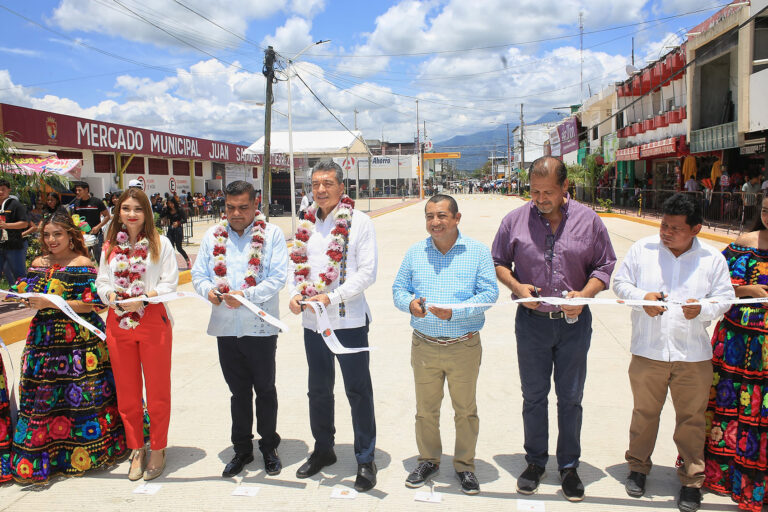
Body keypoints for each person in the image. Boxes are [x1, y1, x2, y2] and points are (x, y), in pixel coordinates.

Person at [491, 156, 617, 502]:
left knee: (570, 398)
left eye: (548, 192)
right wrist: (517, 288)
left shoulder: (589, 221)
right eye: (534, 191)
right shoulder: (514, 221)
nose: (541, 198)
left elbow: (605, 265)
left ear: (565, 188)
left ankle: (569, 467)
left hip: (574, 326)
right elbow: (499, 262)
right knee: (533, 397)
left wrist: (586, 294)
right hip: (531, 325)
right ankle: (534, 463)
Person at [613, 193, 734, 512]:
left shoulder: (712, 258)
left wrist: (704, 309)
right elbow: (621, 284)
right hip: (648, 351)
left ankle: (692, 481)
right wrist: (643, 297)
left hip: (692, 356)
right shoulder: (643, 250)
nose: (666, 232)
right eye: (664, 225)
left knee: (692, 420)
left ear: (695, 229)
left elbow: (726, 297)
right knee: (644, 414)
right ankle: (638, 469)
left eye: (675, 228)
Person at [4, 211, 127, 483]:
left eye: (57, 234)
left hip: (80, 342)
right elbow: (33, 295)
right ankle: (47, 455)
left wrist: (50, 303)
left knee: (82, 396)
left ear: (71, 236)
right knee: (44, 397)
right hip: (43, 340)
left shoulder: (83, 263)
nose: (51, 240)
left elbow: (96, 305)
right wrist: (28, 300)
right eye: (46, 235)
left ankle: (86, 451)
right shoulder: (38, 262)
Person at [392, 194, 499, 495]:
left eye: (441, 216)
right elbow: (399, 289)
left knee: (465, 410)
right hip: (424, 345)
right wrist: (409, 303)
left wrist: (456, 310)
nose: (435, 222)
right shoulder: (416, 253)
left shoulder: (477, 252)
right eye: (429, 216)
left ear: (456, 218)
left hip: (463, 345)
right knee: (426, 410)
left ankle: (465, 466)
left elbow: (490, 293)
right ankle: (428, 460)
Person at [288, 160, 378, 492]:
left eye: (327, 183)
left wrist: (333, 295)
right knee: (319, 391)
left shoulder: (360, 223)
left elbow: (367, 273)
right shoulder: (305, 223)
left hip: (349, 321)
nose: (321, 190)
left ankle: (366, 458)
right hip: (313, 324)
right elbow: (295, 266)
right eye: (315, 184)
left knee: (357, 390)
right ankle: (323, 449)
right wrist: (294, 295)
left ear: (342, 187)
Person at [191, 180, 287, 478]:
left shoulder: (272, 235)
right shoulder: (212, 236)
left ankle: (269, 447)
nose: (236, 213)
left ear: (255, 205)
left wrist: (245, 295)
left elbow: (277, 278)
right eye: (230, 207)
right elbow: (199, 274)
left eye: (243, 207)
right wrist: (208, 290)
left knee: (265, 390)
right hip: (226, 329)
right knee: (238, 393)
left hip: (259, 327)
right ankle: (242, 449)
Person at [96, 188, 178, 481]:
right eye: (126, 208)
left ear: (147, 213)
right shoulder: (109, 246)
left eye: (138, 209)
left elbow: (170, 283)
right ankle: (136, 448)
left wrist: (143, 297)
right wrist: (111, 295)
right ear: (118, 212)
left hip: (153, 319)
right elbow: (102, 281)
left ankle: (157, 447)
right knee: (127, 392)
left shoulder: (161, 244)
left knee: (157, 391)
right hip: (118, 322)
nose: (131, 214)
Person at [703, 193, 768, 511]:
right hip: (736, 344)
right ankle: (723, 476)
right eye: (766, 210)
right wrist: (748, 290)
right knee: (729, 406)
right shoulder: (745, 242)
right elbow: (715, 283)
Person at [71, 181, 110, 262]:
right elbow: (75, 218)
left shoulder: (97, 202)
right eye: (76, 191)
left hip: (96, 234)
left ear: (86, 190)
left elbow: (107, 216)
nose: (77, 192)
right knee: (83, 257)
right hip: (82, 236)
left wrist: (98, 227)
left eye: (79, 190)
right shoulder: (76, 203)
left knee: (99, 257)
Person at [0, 179, 29, 286]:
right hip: (1, 245)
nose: (0, 192)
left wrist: (6, 225)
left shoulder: (15, 205)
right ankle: (14, 292)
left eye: (3, 189)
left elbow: (24, 223)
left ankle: (25, 298)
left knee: (19, 274)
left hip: (14, 245)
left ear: (9, 190)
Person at [161, 196, 191, 269]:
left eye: (171, 203)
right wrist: (164, 207)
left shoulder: (180, 209)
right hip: (170, 230)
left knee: (179, 247)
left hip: (178, 230)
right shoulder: (167, 210)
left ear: (174, 202)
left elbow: (185, 219)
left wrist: (178, 223)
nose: (170, 205)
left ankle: (187, 260)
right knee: (170, 247)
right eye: (168, 203)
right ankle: (171, 264)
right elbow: (161, 215)